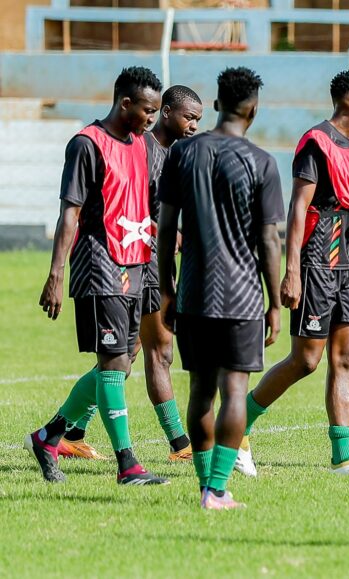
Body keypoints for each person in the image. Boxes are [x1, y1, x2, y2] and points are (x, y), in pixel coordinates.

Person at [238, 70, 349, 477]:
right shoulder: (315, 142)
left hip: (348, 263)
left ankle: (344, 457)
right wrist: (292, 271)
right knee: (306, 360)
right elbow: (298, 207)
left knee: (346, 357)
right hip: (316, 261)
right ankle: (237, 429)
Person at [27, 66, 169, 485]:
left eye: (156, 111)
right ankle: (128, 465)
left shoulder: (144, 146)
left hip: (136, 263)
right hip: (98, 264)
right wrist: (55, 273)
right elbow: (69, 211)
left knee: (122, 365)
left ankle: (48, 435)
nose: (151, 118)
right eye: (147, 110)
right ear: (125, 103)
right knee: (111, 362)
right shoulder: (87, 145)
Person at [158, 67, 284, 509]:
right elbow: (269, 239)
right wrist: (274, 302)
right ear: (253, 108)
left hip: (192, 292)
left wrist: (167, 290)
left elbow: (165, 227)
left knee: (199, 391)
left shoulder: (182, 154)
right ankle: (216, 489)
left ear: (215, 105)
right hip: (242, 295)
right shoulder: (261, 162)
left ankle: (203, 486)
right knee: (234, 390)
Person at [57, 85, 204, 462]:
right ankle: (180, 445)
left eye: (198, 120)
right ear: (166, 112)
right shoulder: (142, 148)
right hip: (131, 262)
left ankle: (67, 432)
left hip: (150, 261)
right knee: (152, 351)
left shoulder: (172, 153)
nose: (193, 126)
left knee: (128, 354)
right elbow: (132, 209)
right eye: (188, 117)